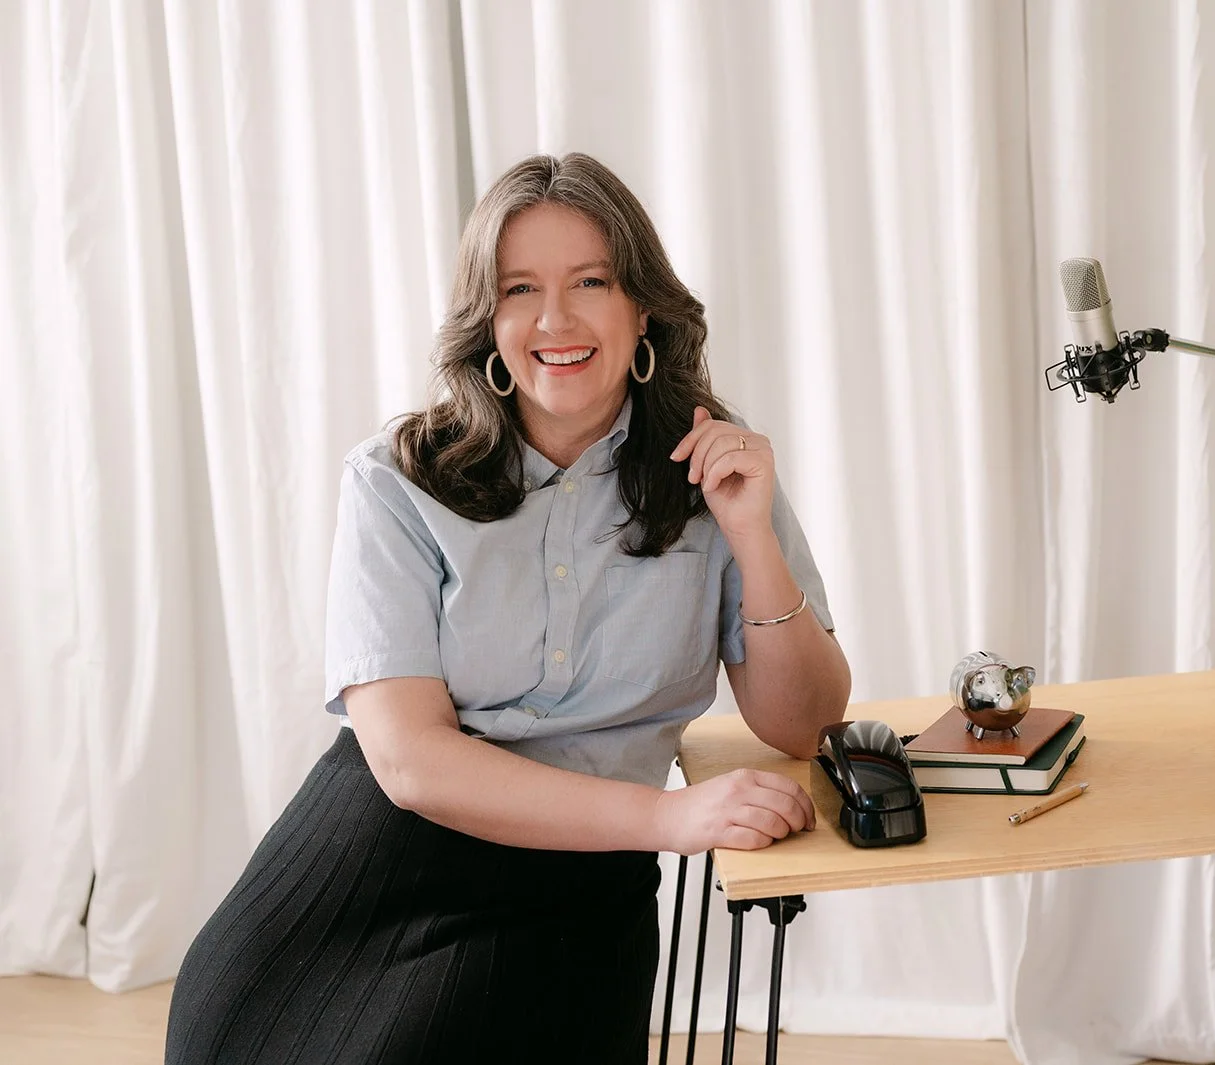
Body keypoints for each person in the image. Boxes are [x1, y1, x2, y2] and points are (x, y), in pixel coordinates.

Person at [165, 152, 851, 1064]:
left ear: (641, 307)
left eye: (590, 282)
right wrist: (670, 821)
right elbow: (410, 764)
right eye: (519, 287)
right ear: (487, 319)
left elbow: (805, 725)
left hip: (576, 893)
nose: (554, 319)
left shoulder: (716, 472)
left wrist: (752, 539)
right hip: (377, 864)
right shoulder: (396, 479)